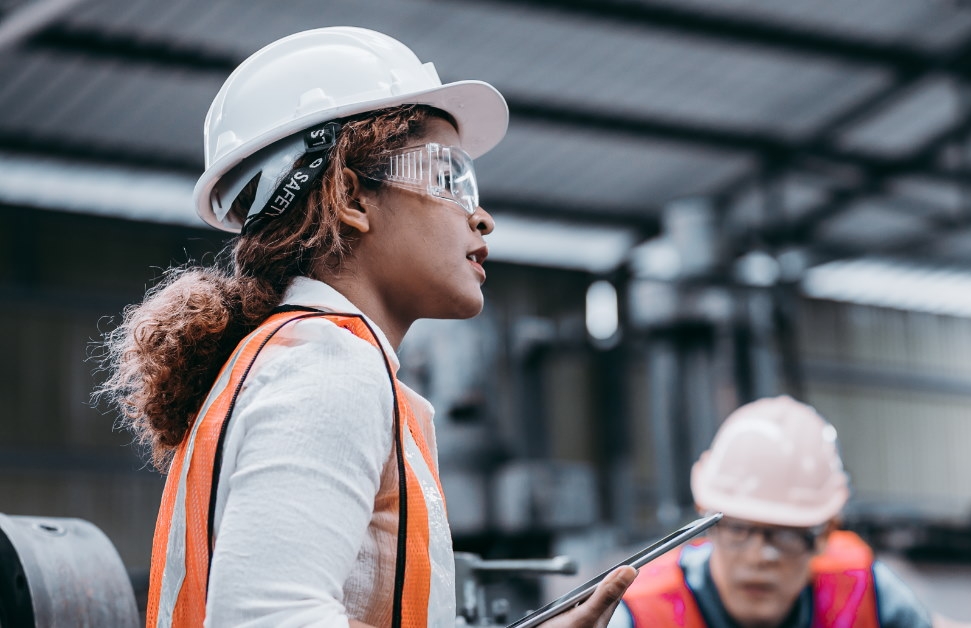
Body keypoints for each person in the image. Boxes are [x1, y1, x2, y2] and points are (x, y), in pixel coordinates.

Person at [96, 27, 634, 628]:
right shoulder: (327, 367)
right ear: (350, 195)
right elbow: (270, 619)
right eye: (448, 177)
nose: (480, 217)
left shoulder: (302, 358)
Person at [607, 396, 971, 628]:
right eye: (739, 530)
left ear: (826, 532)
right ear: (706, 520)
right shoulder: (641, 615)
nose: (760, 557)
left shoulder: (864, 595)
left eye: (786, 535)